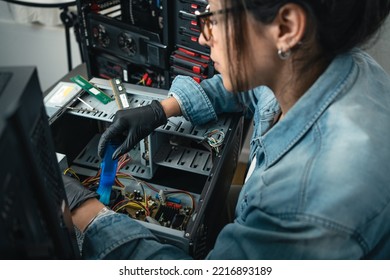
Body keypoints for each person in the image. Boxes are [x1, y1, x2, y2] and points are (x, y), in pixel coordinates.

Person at [64, 0, 390, 259]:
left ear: (286, 27)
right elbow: (248, 86)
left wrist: (87, 213)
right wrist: (162, 109)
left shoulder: (307, 202)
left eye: (215, 18)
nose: (204, 37)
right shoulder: (332, 65)